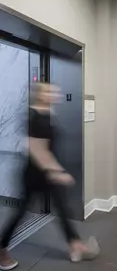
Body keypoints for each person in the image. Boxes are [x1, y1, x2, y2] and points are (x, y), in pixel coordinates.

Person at [0, 83, 99, 270]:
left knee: (62, 207)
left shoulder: (47, 113)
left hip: (45, 173)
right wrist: (56, 172)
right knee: (21, 213)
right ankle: (2, 248)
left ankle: (75, 245)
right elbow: (37, 150)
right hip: (34, 174)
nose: (55, 94)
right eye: (49, 92)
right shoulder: (34, 117)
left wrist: (54, 170)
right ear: (40, 95)